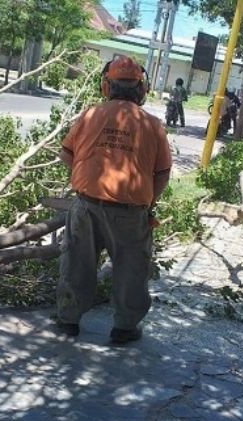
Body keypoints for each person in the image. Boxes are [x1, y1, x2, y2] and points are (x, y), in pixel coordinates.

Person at [56, 56, 172, 344]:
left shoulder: (90, 115)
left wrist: (86, 176)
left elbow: (66, 154)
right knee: (131, 270)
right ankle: (124, 327)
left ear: (106, 86)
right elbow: (162, 172)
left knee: (76, 263)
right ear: (141, 89)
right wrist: (149, 203)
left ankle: (68, 319)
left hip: (86, 205)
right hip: (130, 211)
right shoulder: (152, 124)